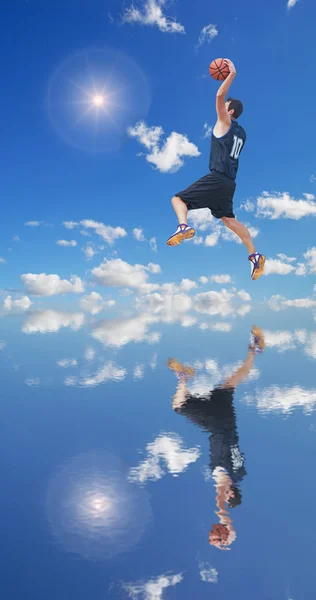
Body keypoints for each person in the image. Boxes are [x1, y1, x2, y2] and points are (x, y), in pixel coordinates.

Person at [167, 325, 265, 550]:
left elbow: (228, 498)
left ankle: (254, 350)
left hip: (227, 420)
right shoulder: (225, 479)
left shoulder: (240, 471)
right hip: (216, 423)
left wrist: (228, 522)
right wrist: (225, 523)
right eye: (214, 536)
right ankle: (183, 379)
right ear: (231, 493)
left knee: (231, 382)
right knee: (178, 405)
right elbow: (222, 504)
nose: (211, 534)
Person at [167, 59, 265, 281]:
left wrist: (231, 74)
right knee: (229, 220)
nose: (221, 108)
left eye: (226, 106)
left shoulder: (225, 122)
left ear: (230, 111)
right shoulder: (242, 133)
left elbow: (219, 96)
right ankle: (254, 254)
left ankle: (183, 226)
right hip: (229, 183)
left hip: (217, 178)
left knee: (177, 200)